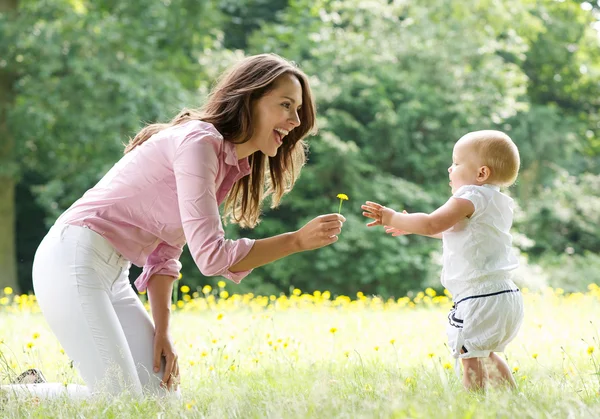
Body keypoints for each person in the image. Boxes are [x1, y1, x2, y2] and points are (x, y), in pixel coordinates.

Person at [2, 53, 346, 400]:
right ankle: (15, 395)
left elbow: (165, 252)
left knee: (162, 397)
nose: (295, 120)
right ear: (249, 99)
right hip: (73, 257)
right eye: (286, 105)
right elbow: (211, 257)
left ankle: (31, 391)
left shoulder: (225, 164)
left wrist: (162, 333)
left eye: (298, 109)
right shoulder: (199, 143)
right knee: (117, 402)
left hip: (111, 274)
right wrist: (296, 241)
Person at [362, 130, 523, 391]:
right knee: (485, 354)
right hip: (505, 296)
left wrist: (392, 217)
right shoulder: (499, 201)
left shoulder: (470, 195)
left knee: (470, 357)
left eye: (457, 162)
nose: (450, 168)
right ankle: (513, 401)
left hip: (479, 297)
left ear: (481, 173)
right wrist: (411, 226)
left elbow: (431, 222)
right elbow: (447, 229)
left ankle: (474, 406)